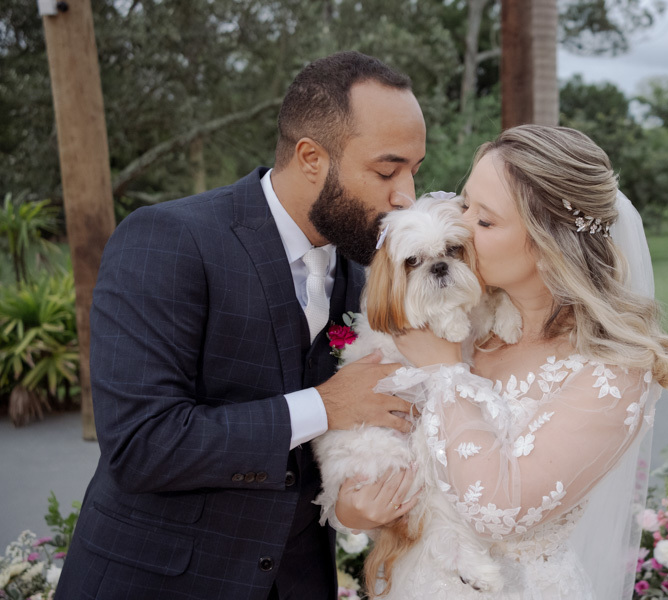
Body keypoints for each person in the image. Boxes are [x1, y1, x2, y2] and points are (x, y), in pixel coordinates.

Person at [55, 51, 425, 600]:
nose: (406, 196)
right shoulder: (167, 240)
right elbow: (140, 443)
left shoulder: (370, 270)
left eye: (413, 171)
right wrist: (326, 405)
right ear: (310, 157)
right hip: (156, 583)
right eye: (386, 170)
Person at [336, 125, 668, 599]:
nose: (461, 225)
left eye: (485, 221)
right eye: (465, 204)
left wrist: (447, 371)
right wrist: (357, 507)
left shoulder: (610, 372)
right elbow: (383, 448)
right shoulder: (461, 323)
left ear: (547, 241)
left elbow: (497, 511)